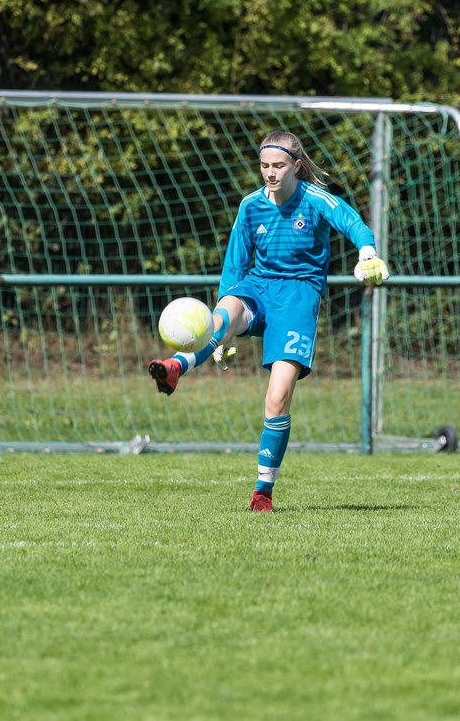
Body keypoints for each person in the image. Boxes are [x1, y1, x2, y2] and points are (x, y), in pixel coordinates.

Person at [147, 131, 390, 512]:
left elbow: (353, 223)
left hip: (298, 297)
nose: (270, 173)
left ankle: (263, 493)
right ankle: (175, 366)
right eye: (264, 166)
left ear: (296, 166)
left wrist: (368, 253)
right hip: (258, 287)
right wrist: (221, 332)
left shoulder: (314, 198)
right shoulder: (250, 206)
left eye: (278, 166)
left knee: (276, 400)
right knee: (225, 309)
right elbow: (233, 268)